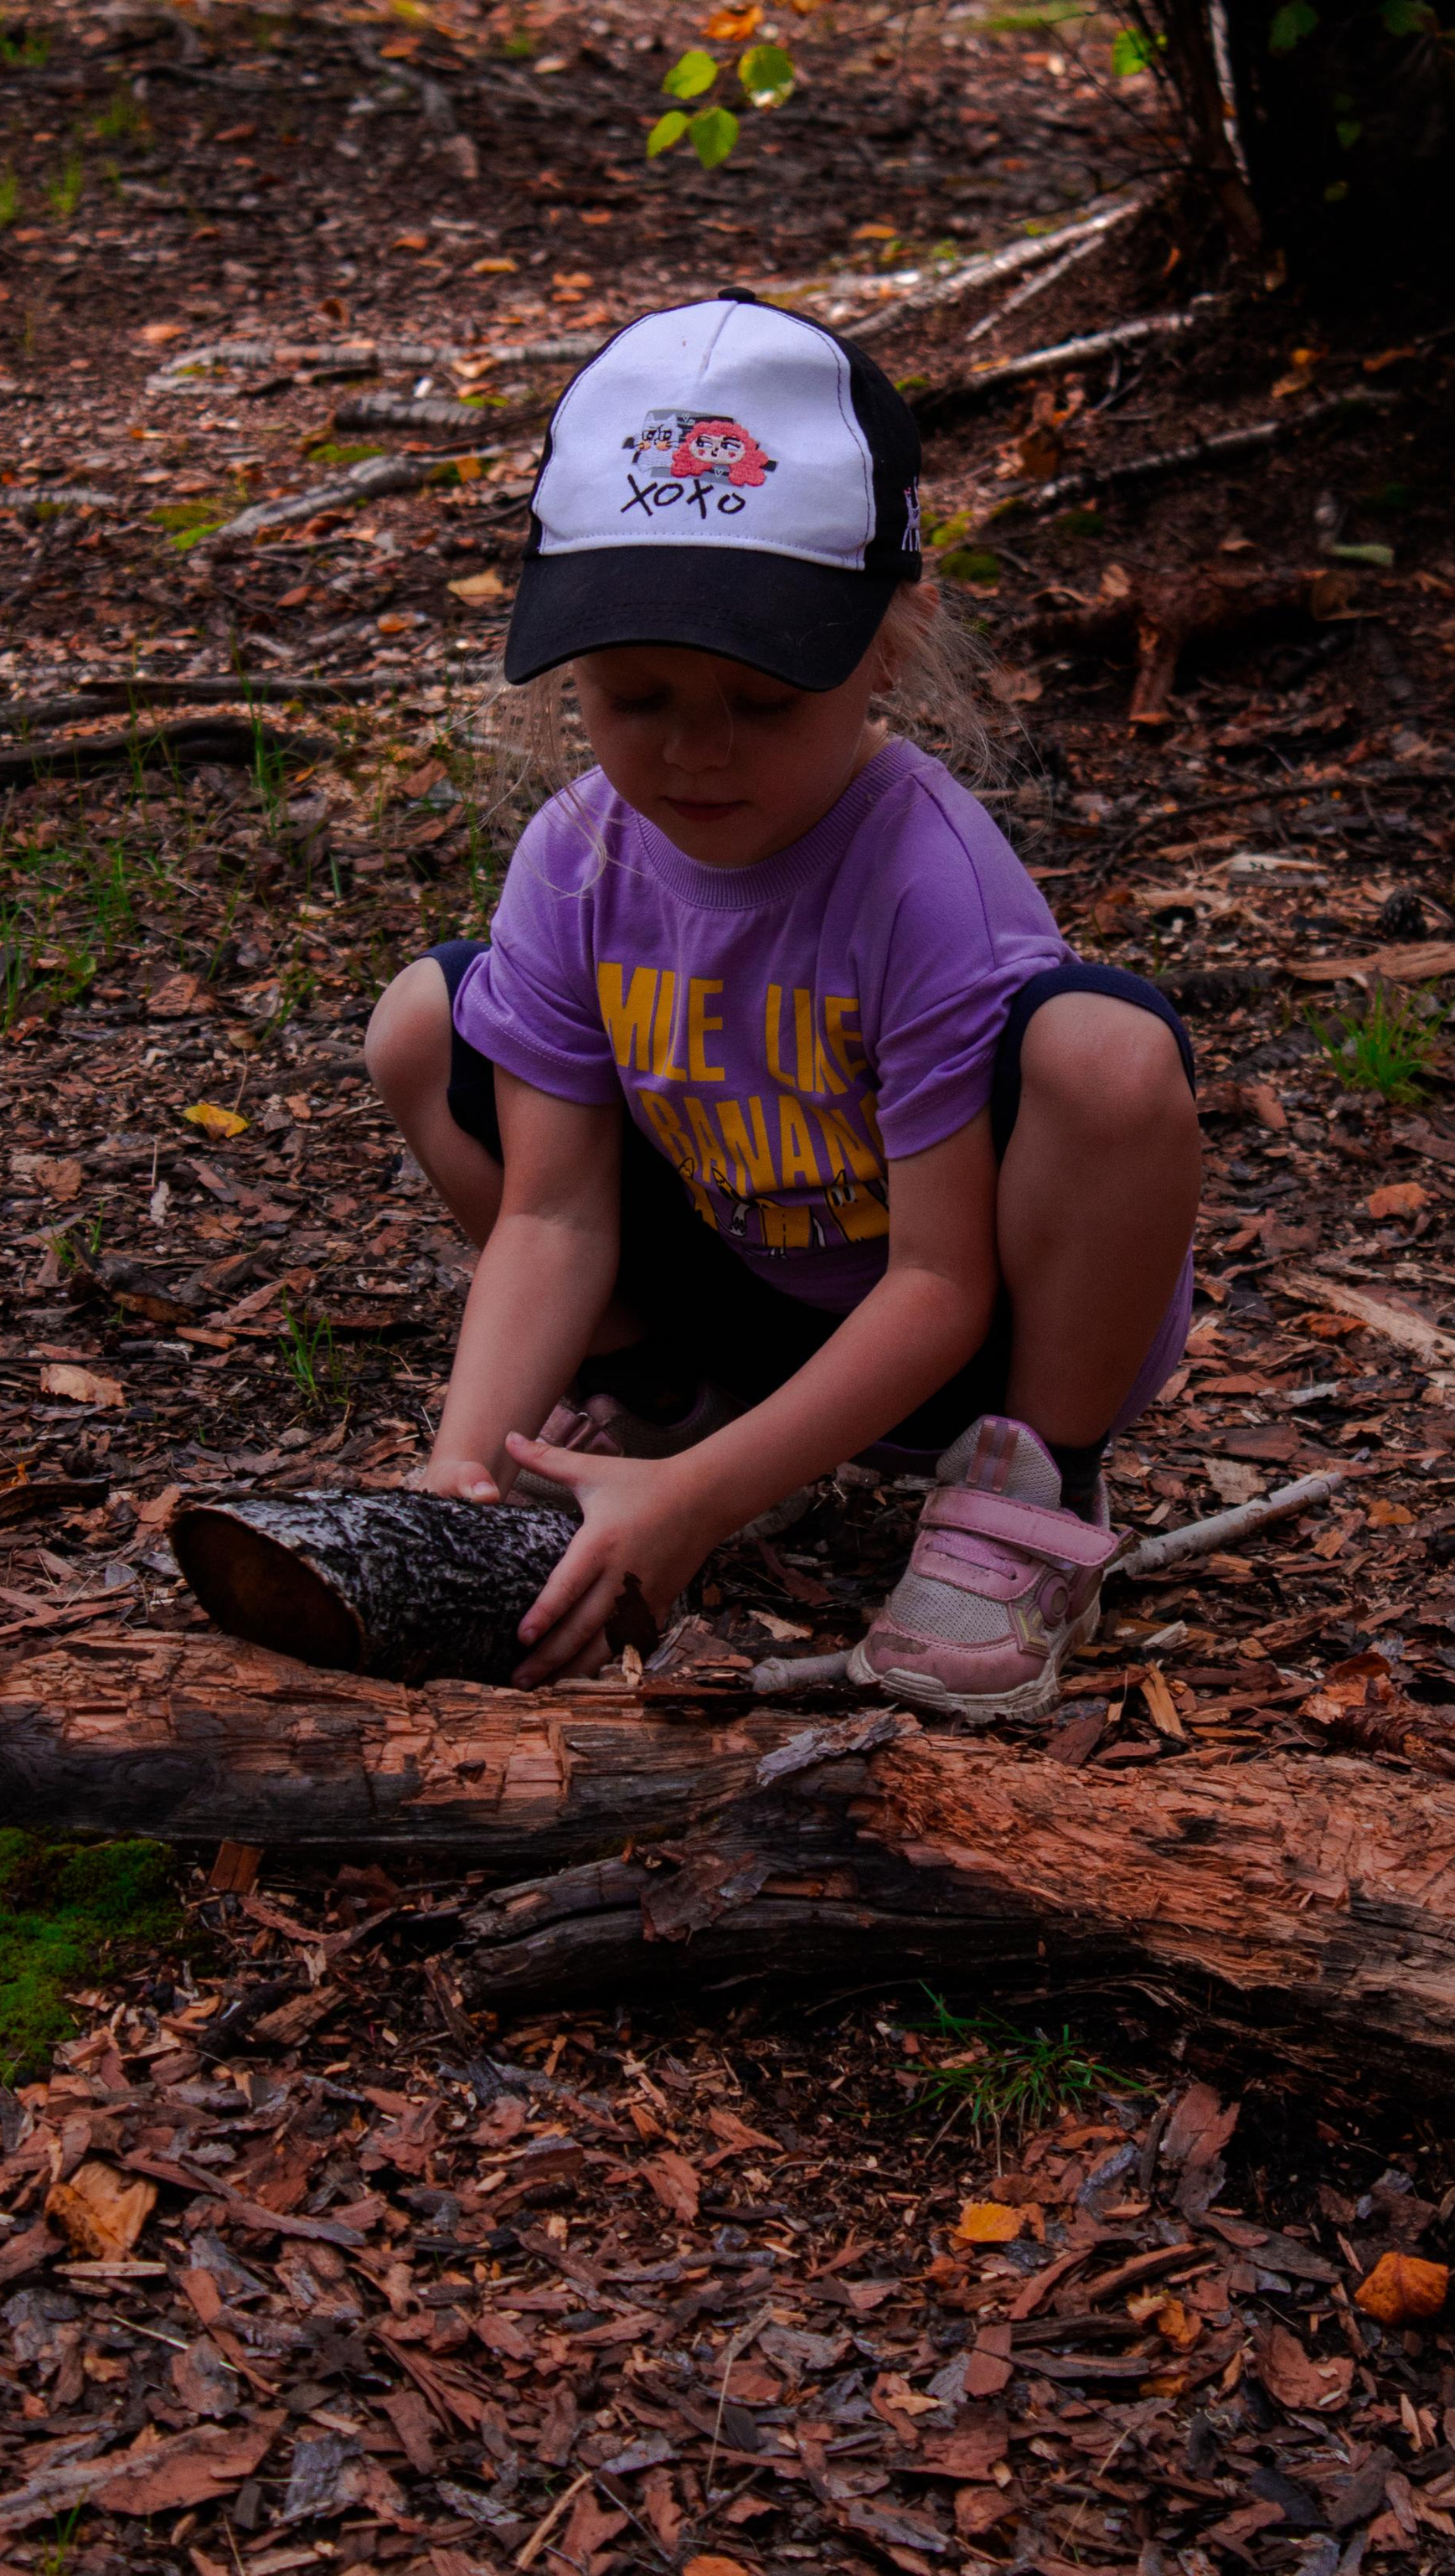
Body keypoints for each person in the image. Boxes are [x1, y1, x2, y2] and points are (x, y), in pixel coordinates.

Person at [364, 292, 1201, 1716]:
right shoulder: (577, 857)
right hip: (740, 1296)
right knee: (423, 1025)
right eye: (636, 697)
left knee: (1106, 1056)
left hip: (974, 1338)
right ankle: (654, 1402)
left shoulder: (922, 879)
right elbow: (553, 1216)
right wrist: (463, 1461)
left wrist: (705, 1506)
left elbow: (940, 1285)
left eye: (762, 703)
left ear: (890, 643)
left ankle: (1027, 1495)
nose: (697, 752)